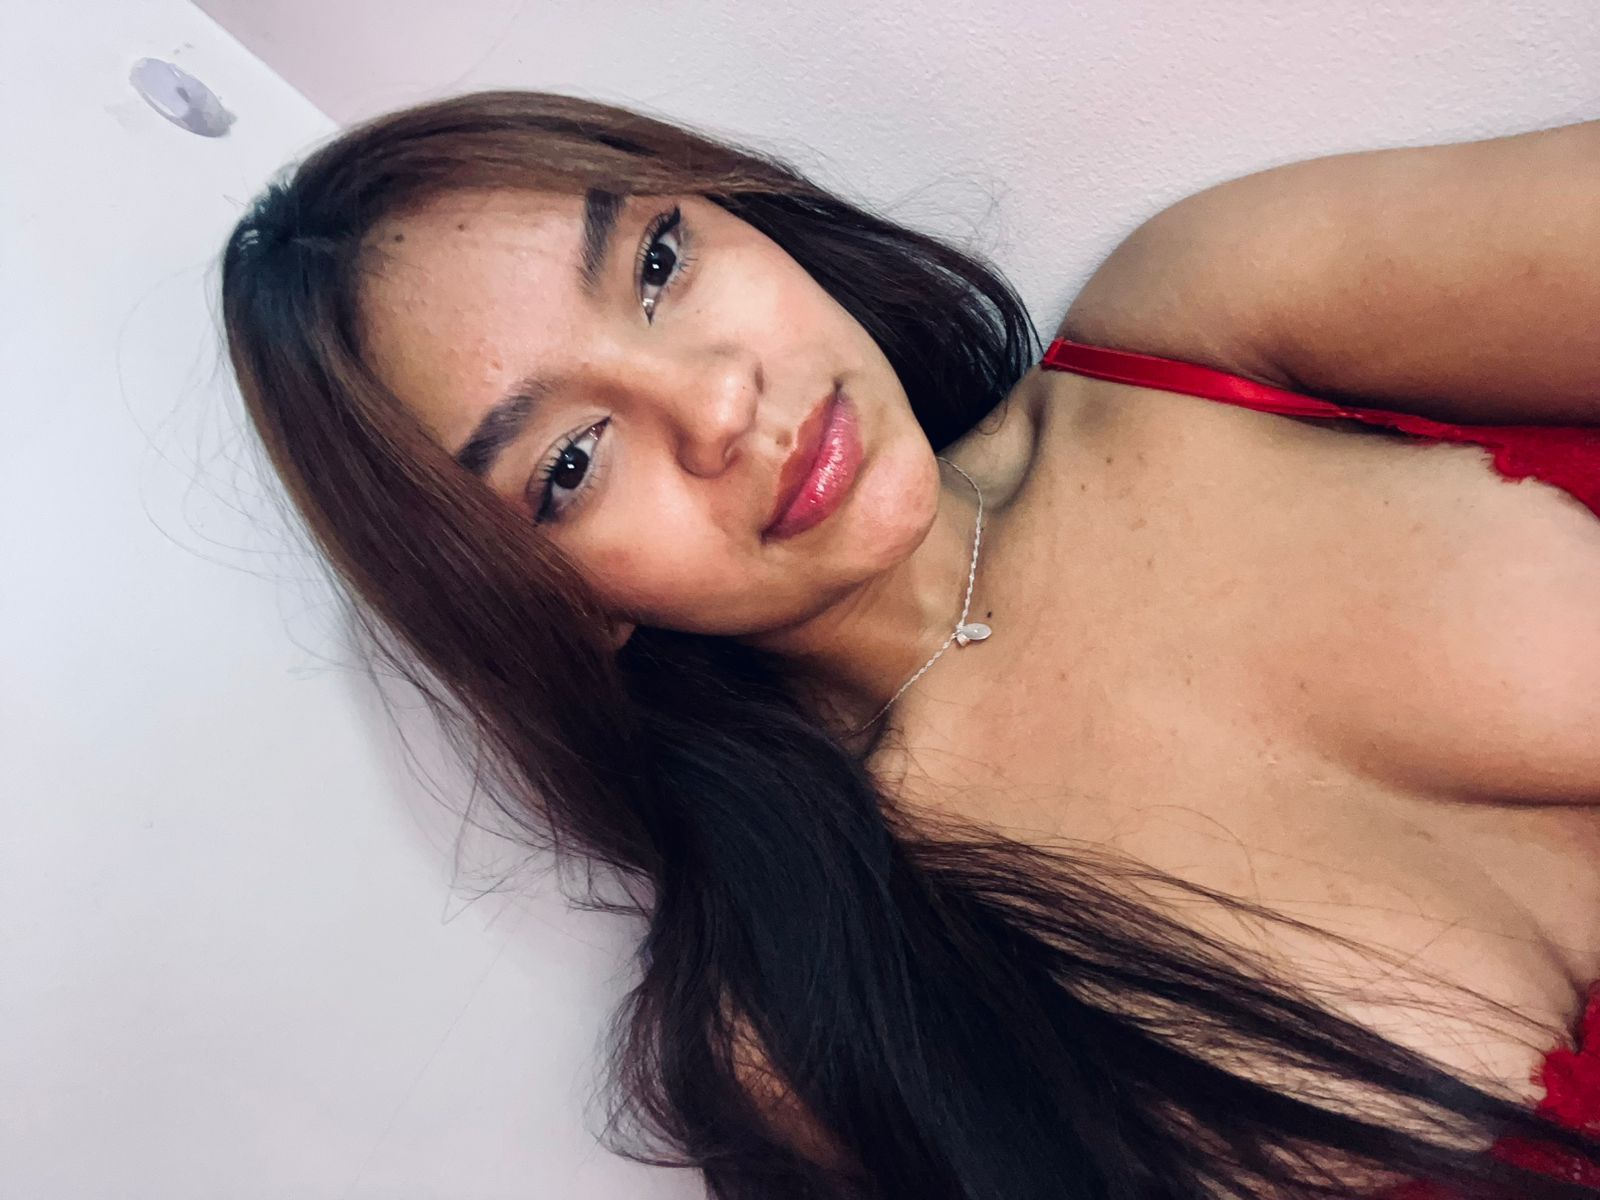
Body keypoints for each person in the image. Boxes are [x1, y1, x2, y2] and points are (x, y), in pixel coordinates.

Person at [219, 90, 1600, 1199]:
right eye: (571, 463)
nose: (718, 401)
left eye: (658, 264)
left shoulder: (1204, 323)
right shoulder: (823, 1017)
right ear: (552, 603)